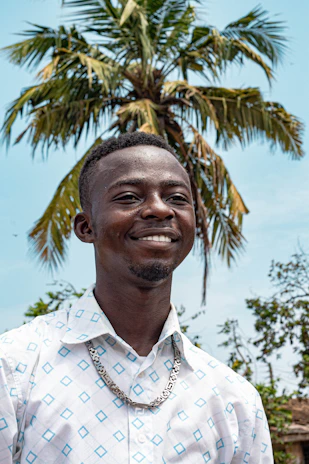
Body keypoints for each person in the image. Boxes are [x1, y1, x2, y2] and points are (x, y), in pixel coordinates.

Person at [0, 132, 273, 463]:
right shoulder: (13, 369)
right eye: (129, 197)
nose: (159, 209)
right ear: (86, 227)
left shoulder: (234, 399)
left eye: (176, 198)